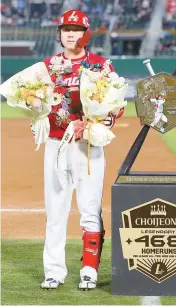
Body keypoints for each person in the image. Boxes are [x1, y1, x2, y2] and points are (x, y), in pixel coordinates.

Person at [39, 10, 124, 291]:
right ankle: (53, 271)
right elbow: (34, 101)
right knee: (55, 210)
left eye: (76, 29)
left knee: (90, 208)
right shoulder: (47, 66)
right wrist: (36, 117)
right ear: (60, 34)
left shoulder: (101, 66)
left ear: (86, 33)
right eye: (66, 29)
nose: (70, 34)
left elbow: (117, 106)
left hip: (88, 145)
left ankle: (89, 269)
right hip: (56, 144)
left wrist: (95, 122)